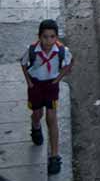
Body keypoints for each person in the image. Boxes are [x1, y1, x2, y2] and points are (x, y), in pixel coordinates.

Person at [20, 19, 72, 176]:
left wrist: (57, 80)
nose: (48, 41)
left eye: (52, 37)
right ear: (39, 36)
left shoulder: (62, 51)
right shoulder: (31, 50)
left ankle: (54, 156)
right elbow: (23, 64)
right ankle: (35, 126)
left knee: (52, 118)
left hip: (51, 87)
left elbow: (69, 64)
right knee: (38, 114)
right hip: (36, 85)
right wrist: (29, 82)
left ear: (56, 37)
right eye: (45, 37)